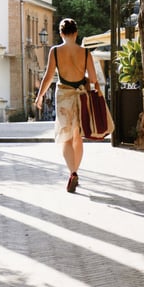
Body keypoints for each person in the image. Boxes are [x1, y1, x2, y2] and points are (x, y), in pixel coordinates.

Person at [34, 18, 103, 193]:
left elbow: (48, 76)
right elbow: (94, 79)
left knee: (65, 136)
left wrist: (40, 96)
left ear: (61, 33)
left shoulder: (55, 51)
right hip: (81, 96)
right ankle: (75, 171)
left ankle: (72, 172)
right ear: (76, 33)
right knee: (77, 136)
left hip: (63, 96)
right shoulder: (85, 52)